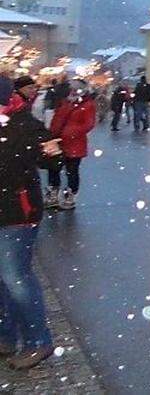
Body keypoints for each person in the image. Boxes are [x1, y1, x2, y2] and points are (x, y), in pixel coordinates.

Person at [0, 84, 62, 369]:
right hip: (7, 211)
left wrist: (48, 151)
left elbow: (53, 159)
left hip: (17, 213)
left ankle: (39, 341)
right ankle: (7, 336)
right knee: (4, 280)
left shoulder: (23, 124)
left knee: (17, 278)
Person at [46, 80, 95, 210]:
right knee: (53, 168)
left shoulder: (87, 105)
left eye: (76, 89)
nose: (73, 91)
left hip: (75, 144)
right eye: (72, 88)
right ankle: (53, 194)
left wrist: (71, 132)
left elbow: (88, 124)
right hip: (59, 142)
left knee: (72, 171)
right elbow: (57, 119)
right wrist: (51, 133)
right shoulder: (66, 102)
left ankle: (70, 196)